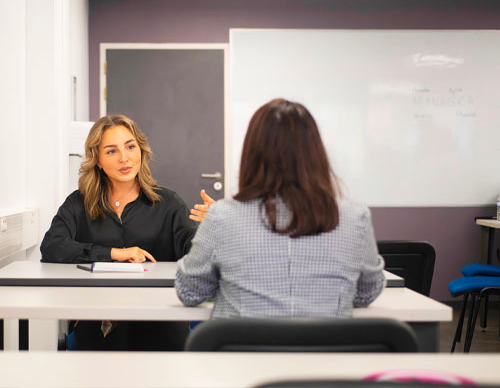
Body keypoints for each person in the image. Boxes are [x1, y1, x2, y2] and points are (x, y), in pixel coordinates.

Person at [175, 98, 385, 319]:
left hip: (242, 351)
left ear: (252, 153)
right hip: (326, 351)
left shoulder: (222, 216)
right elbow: (367, 293)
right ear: (316, 152)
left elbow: (189, 292)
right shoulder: (355, 217)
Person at [40, 114, 214, 350]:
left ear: (141, 151)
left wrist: (214, 230)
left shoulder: (169, 203)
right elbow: (52, 246)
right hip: (98, 325)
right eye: (111, 151)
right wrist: (113, 253)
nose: (124, 158)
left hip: (160, 325)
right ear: (98, 160)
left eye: (130, 147)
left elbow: (196, 253)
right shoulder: (79, 203)